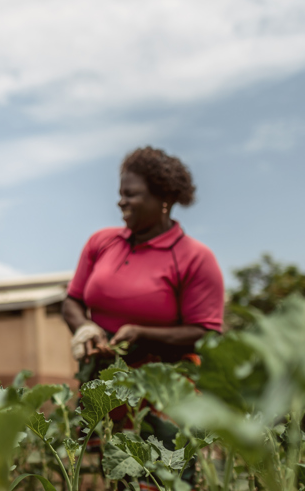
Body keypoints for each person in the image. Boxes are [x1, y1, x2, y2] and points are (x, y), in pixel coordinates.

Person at [62, 146, 224, 488]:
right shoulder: (102, 243)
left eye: (130, 195)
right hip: (109, 382)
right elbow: (72, 301)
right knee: (120, 474)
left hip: (165, 388)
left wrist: (140, 333)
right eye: (120, 194)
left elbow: (205, 332)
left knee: (163, 477)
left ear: (163, 198)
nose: (121, 202)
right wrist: (86, 329)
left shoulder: (193, 257)